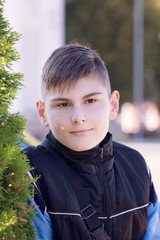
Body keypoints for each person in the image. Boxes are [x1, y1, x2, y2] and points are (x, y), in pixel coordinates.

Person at [24, 43, 160, 240]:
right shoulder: (32, 173)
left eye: (90, 101)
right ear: (43, 113)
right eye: (63, 104)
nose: (78, 117)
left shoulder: (136, 165)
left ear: (113, 105)